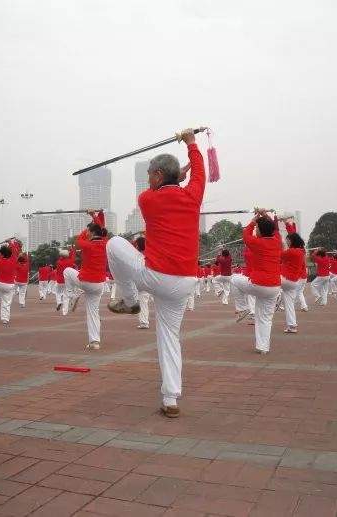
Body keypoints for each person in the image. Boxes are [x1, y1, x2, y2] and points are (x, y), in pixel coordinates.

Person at [106, 128, 204, 418]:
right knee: (169, 337)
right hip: (186, 282)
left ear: (159, 176)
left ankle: (130, 300)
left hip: (157, 276)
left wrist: (183, 168)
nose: (148, 179)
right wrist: (191, 143)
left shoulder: (148, 200)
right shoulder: (193, 197)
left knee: (113, 244)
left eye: (150, 174)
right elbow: (200, 172)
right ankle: (171, 399)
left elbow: (189, 176)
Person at [232, 211, 283, 353]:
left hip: (258, 284)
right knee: (265, 318)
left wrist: (255, 219)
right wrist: (264, 215)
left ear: (260, 231)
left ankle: (243, 308)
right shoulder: (277, 241)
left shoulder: (257, 243)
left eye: (257, 229)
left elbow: (245, 234)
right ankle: (263, 347)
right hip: (274, 287)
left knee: (234, 279)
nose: (255, 230)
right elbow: (275, 229)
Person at [65, 211, 108, 350]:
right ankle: (95, 342)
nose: (87, 233)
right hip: (99, 284)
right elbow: (101, 228)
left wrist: (88, 227)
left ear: (91, 232)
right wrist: (95, 216)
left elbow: (79, 239)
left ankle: (73, 295)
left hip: (85, 281)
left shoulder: (86, 244)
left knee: (67, 271)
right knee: (93, 312)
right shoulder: (105, 243)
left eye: (89, 231)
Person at [280, 225, 306, 334]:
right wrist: (289, 226)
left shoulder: (291, 252)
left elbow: (278, 255)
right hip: (293, 281)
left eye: (288, 241)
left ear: (292, 241)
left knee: (265, 284)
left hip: (285, 279)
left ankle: (274, 300)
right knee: (289, 304)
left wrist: (280, 243)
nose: (287, 242)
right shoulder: (301, 251)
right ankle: (292, 326)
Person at [0, 240, 22, 324]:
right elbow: (15, 250)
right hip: (9, 285)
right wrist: (10, 243)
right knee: (6, 302)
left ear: (1, 253)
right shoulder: (13, 260)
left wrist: (2, 249)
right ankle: (5, 319)